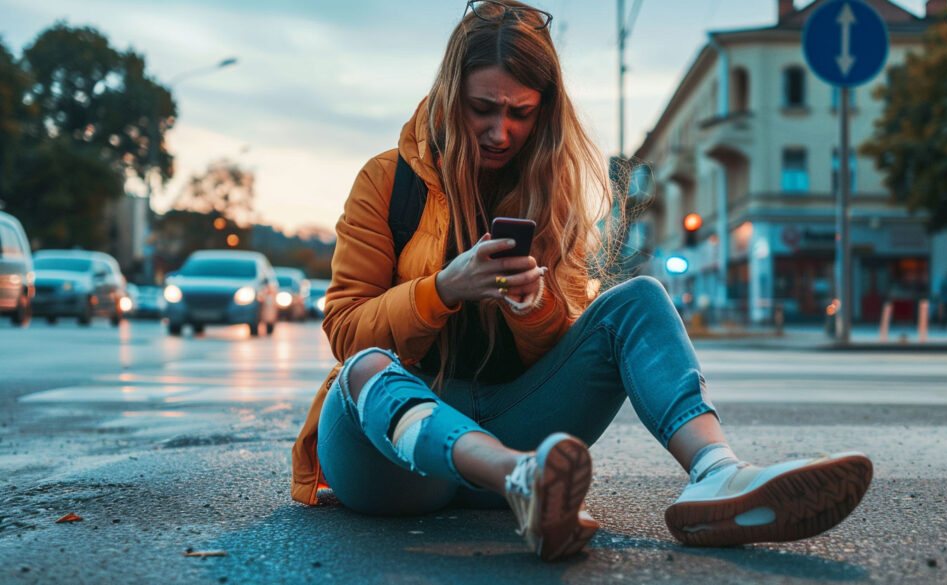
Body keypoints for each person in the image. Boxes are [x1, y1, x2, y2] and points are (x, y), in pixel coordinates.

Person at [291, 0, 873, 561]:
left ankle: (717, 474)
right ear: (450, 95)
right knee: (366, 367)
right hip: (396, 460)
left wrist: (533, 307)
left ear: (544, 110)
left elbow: (562, 351)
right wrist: (443, 288)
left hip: (513, 418)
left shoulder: (552, 191)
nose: (500, 131)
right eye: (483, 108)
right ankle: (520, 480)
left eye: (521, 113)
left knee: (639, 298)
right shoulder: (386, 180)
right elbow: (346, 332)